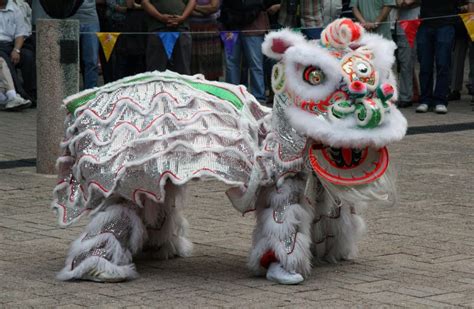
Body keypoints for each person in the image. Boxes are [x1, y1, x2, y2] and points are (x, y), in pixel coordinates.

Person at [219, 0, 270, 103]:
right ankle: (231, 97)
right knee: (231, 64)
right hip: (230, 26)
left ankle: (258, 99)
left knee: (255, 65)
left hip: (253, 26)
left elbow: (263, 3)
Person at [415, 0, 457, 114]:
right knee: (424, 64)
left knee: (443, 63)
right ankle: (425, 100)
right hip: (425, 23)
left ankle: (440, 100)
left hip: (446, 23)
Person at [142, 0, 196, 75]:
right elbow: (145, 2)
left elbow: (192, 1)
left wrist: (182, 18)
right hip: (158, 28)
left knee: (183, 70)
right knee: (155, 71)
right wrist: (160, 17)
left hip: (181, 28)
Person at [0, 0, 36, 104]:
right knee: (5, 60)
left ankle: (31, 94)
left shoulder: (15, 9)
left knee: (28, 57)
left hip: (11, 44)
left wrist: (16, 50)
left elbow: (20, 34)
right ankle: (18, 94)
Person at [69, 0, 101, 89]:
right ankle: (69, 91)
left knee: (92, 61)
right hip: (69, 19)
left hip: (91, 20)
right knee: (68, 60)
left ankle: (90, 93)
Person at [189, 0, 222, 80]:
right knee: (193, 65)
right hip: (191, 30)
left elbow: (213, 7)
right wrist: (204, 11)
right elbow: (185, 10)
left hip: (210, 31)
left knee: (210, 65)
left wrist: (193, 6)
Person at [395, 0, 419, 108]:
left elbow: (405, 3)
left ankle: (408, 96)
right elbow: (399, 3)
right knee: (404, 61)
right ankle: (404, 96)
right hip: (400, 24)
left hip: (419, 22)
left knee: (426, 61)